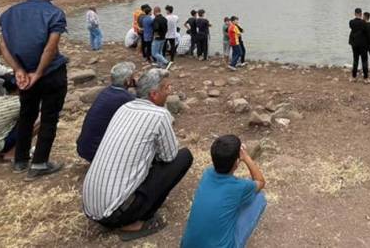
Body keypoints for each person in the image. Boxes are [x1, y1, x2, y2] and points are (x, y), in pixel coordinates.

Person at [82, 69, 193, 242]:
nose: (169, 91)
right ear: (154, 94)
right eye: (166, 88)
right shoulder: (160, 115)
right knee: (184, 157)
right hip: (113, 215)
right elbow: (169, 157)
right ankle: (135, 223)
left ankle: (129, 208)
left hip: (90, 207)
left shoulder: (124, 108)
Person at [0, 0, 68, 180]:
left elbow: (3, 45)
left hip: (24, 76)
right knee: (49, 117)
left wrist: (19, 70)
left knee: (26, 115)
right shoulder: (54, 13)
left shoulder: (9, 13)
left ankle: (20, 160)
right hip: (50, 74)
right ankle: (39, 164)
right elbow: (50, 48)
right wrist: (38, 73)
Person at [181, 135, 266, 248]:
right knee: (259, 197)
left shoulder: (207, 174)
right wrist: (245, 157)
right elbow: (260, 181)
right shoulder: (239, 187)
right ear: (237, 162)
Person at [76, 62, 137, 163]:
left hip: (85, 147)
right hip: (96, 152)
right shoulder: (124, 98)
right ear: (127, 80)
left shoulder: (106, 91)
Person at [348, 8, 370, 84]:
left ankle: (354, 77)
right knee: (364, 61)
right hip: (363, 44)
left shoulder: (351, 22)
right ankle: (365, 78)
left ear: (355, 14)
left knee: (355, 60)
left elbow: (352, 29)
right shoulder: (364, 23)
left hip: (354, 44)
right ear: (361, 14)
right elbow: (367, 34)